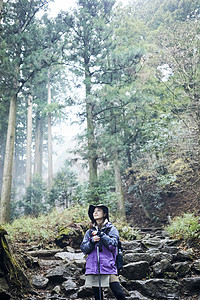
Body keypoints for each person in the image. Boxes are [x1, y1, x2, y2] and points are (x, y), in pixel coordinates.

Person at [80, 204, 127, 300]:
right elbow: (84, 248)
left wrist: (102, 235)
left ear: (105, 214)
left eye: (98, 210)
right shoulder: (90, 232)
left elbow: (113, 244)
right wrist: (92, 241)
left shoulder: (111, 229)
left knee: (119, 294)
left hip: (108, 265)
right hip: (94, 267)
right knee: (98, 297)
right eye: (94, 211)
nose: (95, 212)